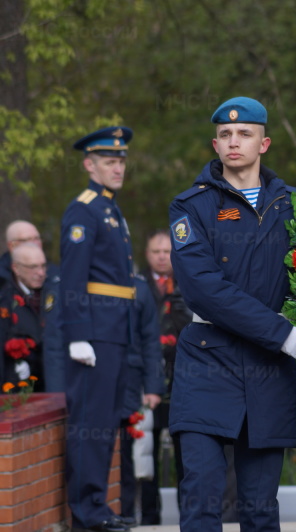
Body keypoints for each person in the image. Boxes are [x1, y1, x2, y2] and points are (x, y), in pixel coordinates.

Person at [168, 96, 296, 531]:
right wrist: (281, 333)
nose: (234, 141)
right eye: (226, 134)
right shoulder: (192, 206)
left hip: (269, 370)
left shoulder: (295, 206)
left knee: (260, 507)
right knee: (201, 496)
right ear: (214, 143)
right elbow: (204, 290)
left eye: (245, 133)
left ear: (264, 144)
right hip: (208, 361)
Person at [61, 126, 136, 532]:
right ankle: (87, 511)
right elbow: (72, 278)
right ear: (90, 165)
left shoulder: (109, 209)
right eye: (110, 161)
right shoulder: (84, 210)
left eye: (121, 161)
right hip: (94, 332)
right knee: (89, 420)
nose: (118, 168)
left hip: (112, 328)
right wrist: (76, 335)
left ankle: (97, 507)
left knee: (104, 421)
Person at [139, 229, 193, 524]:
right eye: (155, 252)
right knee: (148, 450)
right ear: (147, 255)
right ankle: (149, 517)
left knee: (186, 453)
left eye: (166, 251)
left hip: (181, 377)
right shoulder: (137, 285)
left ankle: (189, 517)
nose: (161, 257)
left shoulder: (187, 282)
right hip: (148, 380)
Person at [118, 273, 164, 526]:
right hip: (98, 383)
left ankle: (127, 517)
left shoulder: (138, 286)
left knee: (130, 457)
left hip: (131, 385)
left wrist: (154, 386)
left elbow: (150, 339)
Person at [0, 243, 64, 391]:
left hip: (52, 380)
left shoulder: (55, 293)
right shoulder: (6, 299)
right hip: (17, 385)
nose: (41, 273)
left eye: (43, 266)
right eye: (33, 267)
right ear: (16, 268)